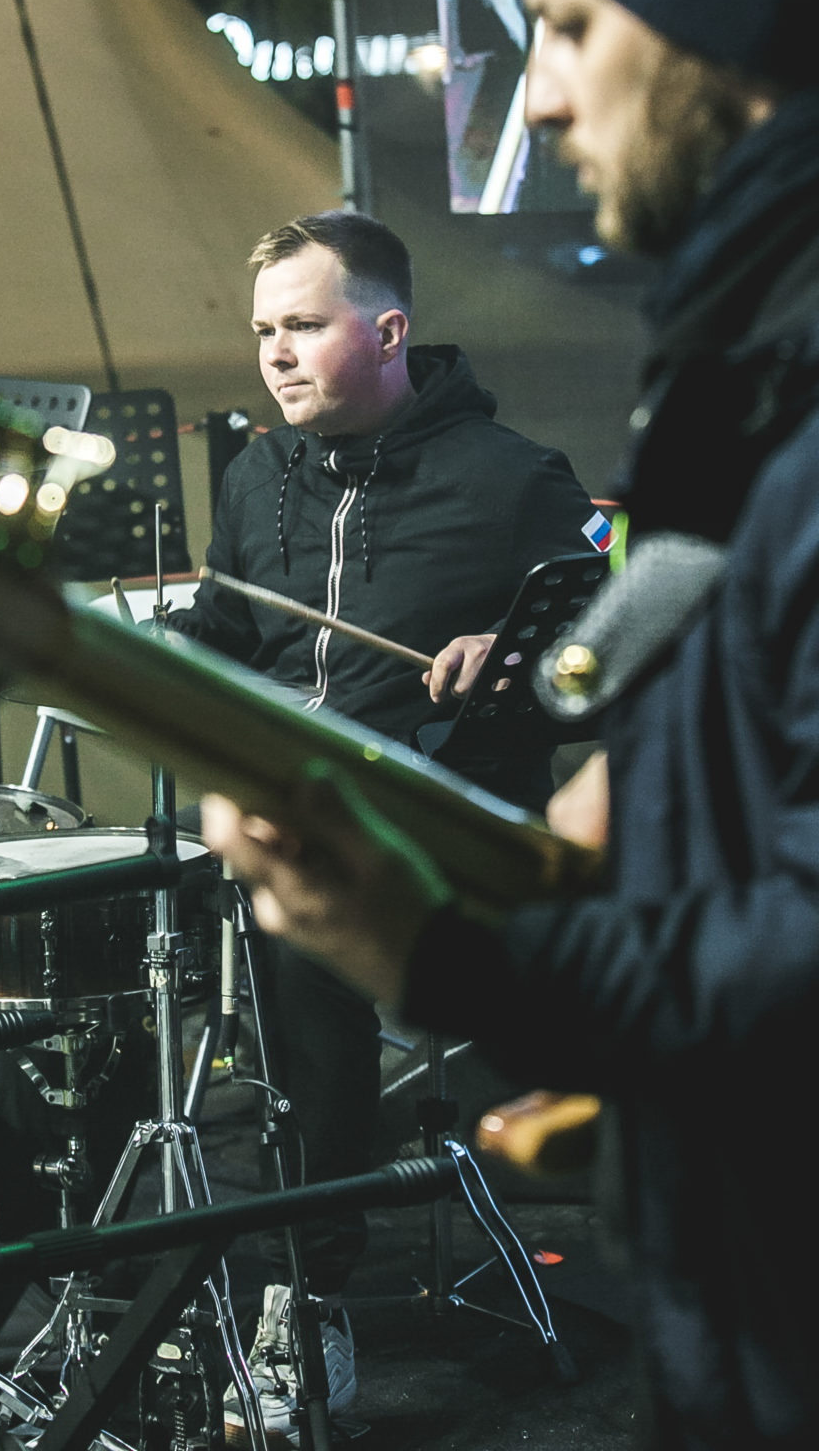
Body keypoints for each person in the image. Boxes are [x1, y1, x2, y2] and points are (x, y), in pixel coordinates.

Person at [203, 0, 819, 1451]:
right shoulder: (736, 368)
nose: (535, 101)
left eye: (566, 26)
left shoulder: (741, 393)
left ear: (719, 21)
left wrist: (448, 952)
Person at [170, 209, 600, 1436]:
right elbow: (225, 634)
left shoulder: (510, 479)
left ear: (389, 331)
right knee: (94, 896)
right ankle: (87, 1267)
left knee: (297, 932)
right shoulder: (257, 477)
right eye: (263, 330)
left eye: (303, 326)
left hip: (441, 826)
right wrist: (131, 647)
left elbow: (606, 647)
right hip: (283, 809)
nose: (275, 354)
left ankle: (309, 1293)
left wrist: (508, 651)